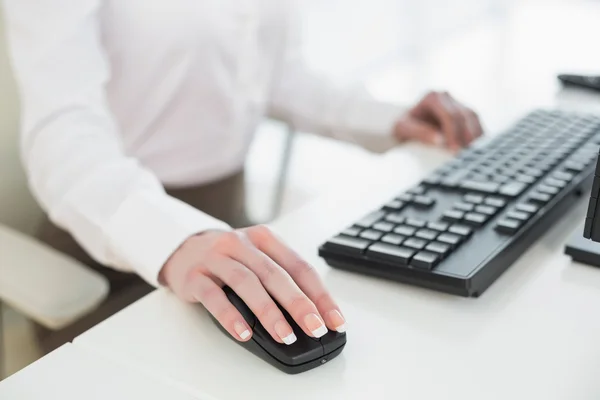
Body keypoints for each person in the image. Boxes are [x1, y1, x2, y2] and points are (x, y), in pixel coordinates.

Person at [2, 0, 483, 353]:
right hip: (111, 259)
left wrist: (390, 119)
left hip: (232, 231)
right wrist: (176, 239)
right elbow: (61, 136)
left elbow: (279, 77)